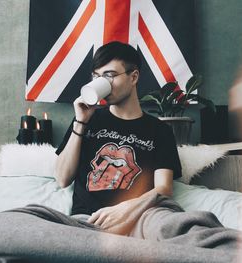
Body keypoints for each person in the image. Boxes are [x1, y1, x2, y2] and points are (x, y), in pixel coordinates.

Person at [55, 41, 181, 233]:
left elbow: (164, 188)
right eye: (96, 76)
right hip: (87, 222)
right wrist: (80, 122)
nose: (102, 82)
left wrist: (125, 208)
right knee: (12, 220)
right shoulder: (86, 120)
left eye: (110, 75)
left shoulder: (159, 130)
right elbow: (62, 179)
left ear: (134, 77)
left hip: (139, 219)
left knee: (181, 226)